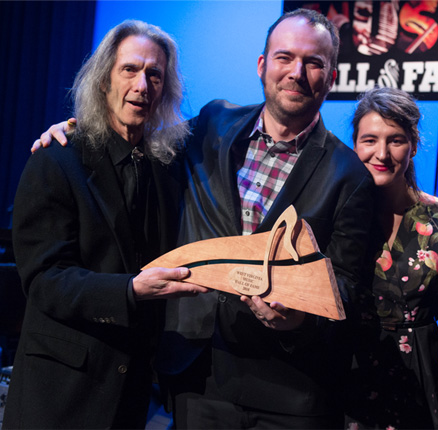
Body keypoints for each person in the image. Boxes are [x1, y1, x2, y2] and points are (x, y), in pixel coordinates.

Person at [34, 8, 374, 429]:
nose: (296, 72)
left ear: (332, 76)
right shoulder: (213, 124)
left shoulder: (351, 176)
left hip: (288, 393)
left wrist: (300, 319)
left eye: (313, 63)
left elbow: (346, 288)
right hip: (196, 377)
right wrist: (74, 131)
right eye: (285, 57)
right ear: (262, 65)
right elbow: (138, 137)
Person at [3, 20, 210, 429]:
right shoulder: (56, 158)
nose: (142, 84)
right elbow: (45, 281)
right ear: (103, 81)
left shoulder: (164, 167)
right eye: (129, 70)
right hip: (59, 395)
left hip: (129, 397)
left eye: (155, 75)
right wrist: (130, 291)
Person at [344, 87, 438, 429]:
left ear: (413, 143)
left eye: (395, 140)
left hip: (419, 380)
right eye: (369, 140)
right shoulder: (338, 214)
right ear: (354, 144)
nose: (381, 153)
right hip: (347, 374)